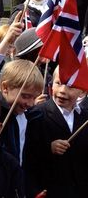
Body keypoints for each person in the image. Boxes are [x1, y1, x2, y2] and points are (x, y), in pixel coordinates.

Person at [23, 65, 88, 197]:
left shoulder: (85, 117)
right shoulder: (36, 115)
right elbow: (26, 154)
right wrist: (48, 148)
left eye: (70, 86)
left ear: (82, 92)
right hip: (50, 190)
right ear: (51, 85)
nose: (62, 90)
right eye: (58, 83)